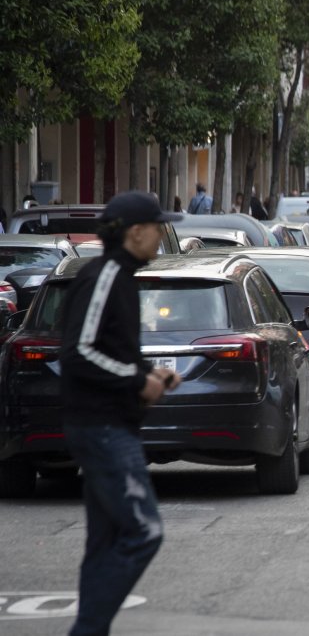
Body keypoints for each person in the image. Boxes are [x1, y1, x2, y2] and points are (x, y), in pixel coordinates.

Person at [59, 191, 183, 636]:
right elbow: (78, 352)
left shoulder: (120, 277)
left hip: (108, 424)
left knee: (105, 541)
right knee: (144, 531)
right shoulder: (106, 275)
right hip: (103, 428)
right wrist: (136, 382)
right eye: (157, 226)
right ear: (135, 232)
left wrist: (151, 373)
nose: (162, 234)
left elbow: (110, 351)